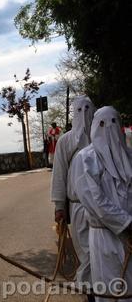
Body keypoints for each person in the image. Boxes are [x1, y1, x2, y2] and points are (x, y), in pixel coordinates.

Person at [70, 106, 132, 301]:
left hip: (130, 237)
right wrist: (127, 224)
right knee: (110, 288)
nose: (109, 128)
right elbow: (95, 201)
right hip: (105, 237)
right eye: (103, 124)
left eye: (114, 122)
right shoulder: (85, 159)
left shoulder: (129, 156)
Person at [50, 96, 96, 298]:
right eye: (79, 110)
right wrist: (60, 206)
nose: (84, 114)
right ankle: (91, 293)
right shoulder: (66, 140)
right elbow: (59, 173)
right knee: (86, 253)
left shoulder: (101, 135)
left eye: (88, 109)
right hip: (78, 207)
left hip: (102, 209)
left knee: (103, 251)